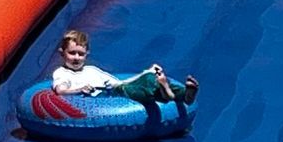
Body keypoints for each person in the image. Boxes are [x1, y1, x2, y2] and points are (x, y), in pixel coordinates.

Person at [50, 28, 197, 107]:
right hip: (107, 96)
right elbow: (60, 90)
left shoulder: (92, 70)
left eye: (80, 54)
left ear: (87, 54)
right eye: (72, 53)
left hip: (117, 89)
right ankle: (166, 94)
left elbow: (121, 83)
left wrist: (146, 72)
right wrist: (79, 90)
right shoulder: (62, 73)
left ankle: (183, 94)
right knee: (146, 83)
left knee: (150, 78)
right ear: (62, 53)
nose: (76, 58)